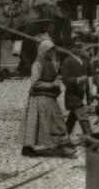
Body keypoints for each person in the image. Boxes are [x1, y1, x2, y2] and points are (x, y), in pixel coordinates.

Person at [20, 23, 76, 158]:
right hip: (39, 98)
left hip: (48, 97)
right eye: (49, 50)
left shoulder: (49, 63)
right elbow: (35, 83)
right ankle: (59, 147)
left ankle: (59, 145)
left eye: (52, 50)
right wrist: (51, 85)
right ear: (43, 50)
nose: (51, 53)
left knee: (49, 121)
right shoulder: (38, 64)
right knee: (43, 122)